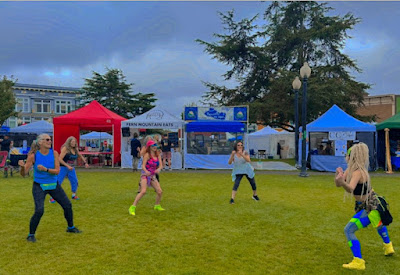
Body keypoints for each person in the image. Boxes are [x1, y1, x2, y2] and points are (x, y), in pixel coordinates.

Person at [335, 143, 395, 271]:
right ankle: (388, 246)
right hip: (367, 206)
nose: (345, 157)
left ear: (352, 156)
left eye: (347, 155)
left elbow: (350, 188)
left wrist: (342, 182)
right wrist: (338, 177)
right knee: (379, 225)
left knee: (349, 230)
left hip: (370, 206)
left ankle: (358, 261)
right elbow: (338, 184)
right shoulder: (350, 170)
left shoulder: (358, 172)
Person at [18, 134, 81, 243]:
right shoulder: (34, 156)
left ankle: (70, 227)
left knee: (67, 205)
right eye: (47, 139)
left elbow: (57, 171)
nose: (49, 141)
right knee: (39, 210)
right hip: (39, 186)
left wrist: (45, 169)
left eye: (50, 139)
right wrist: (22, 167)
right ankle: (31, 235)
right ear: (40, 142)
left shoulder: (54, 153)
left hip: (53, 185)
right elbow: (24, 174)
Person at [129, 139, 164, 216]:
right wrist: (146, 171)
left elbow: (161, 165)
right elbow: (143, 166)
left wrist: (158, 169)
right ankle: (132, 207)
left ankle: (157, 205)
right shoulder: (147, 155)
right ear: (150, 147)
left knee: (159, 191)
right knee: (143, 191)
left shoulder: (157, 154)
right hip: (145, 175)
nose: (155, 147)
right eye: (153, 146)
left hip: (152, 175)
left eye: (156, 145)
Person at [49, 136, 89, 203]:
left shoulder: (75, 149)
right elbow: (59, 159)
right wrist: (67, 166)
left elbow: (80, 155)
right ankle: (52, 197)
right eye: (72, 142)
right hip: (63, 167)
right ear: (69, 142)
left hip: (71, 168)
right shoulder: (65, 149)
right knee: (58, 182)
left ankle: (74, 195)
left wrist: (85, 163)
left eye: (74, 142)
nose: (73, 143)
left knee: (74, 181)